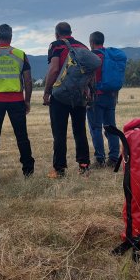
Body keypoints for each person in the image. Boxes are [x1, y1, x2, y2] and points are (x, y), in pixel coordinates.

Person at [0, 24, 34, 184]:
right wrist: (27, 100)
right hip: (17, 100)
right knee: (22, 137)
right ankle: (28, 171)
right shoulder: (20, 54)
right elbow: (28, 80)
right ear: (11, 38)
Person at [43, 22, 92, 177]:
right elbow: (89, 70)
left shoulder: (56, 45)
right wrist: (88, 89)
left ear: (57, 33)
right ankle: (84, 165)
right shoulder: (83, 46)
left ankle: (59, 169)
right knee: (80, 131)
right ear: (71, 32)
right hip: (79, 94)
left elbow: (54, 69)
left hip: (60, 95)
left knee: (59, 132)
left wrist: (47, 91)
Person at [87, 31, 121, 168]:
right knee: (111, 128)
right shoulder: (110, 55)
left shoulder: (92, 56)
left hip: (96, 95)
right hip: (111, 95)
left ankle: (100, 159)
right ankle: (113, 158)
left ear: (91, 42)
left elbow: (89, 76)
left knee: (96, 128)